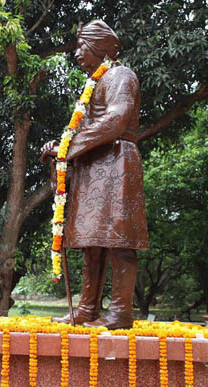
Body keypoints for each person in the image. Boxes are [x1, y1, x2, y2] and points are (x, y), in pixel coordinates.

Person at [41, 20, 149, 330]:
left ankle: (120, 313)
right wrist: (59, 146)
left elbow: (116, 120)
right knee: (92, 242)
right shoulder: (92, 85)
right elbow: (82, 128)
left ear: (100, 49)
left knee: (119, 240)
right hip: (93, 167)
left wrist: (69, 146)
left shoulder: (120, 75)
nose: (76, 53)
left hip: (116, 162)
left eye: (81, 46)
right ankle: (87, 308)